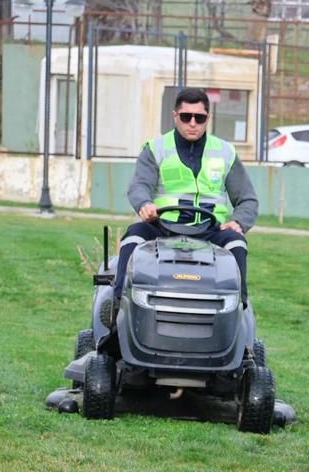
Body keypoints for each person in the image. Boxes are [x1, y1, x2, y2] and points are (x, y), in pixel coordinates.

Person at [106, 88, 259, 324]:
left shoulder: (225, 152)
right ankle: (117, 309)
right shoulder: (155, 149)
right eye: (186, 116)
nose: (193, 123)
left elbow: (247, 199)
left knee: (237, 243)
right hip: (163, 227)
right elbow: (139, 185)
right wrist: (144, 204)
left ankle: (239, 312)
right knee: (133, 237)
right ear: (175, 116)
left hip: (210, 231)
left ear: (208, 118)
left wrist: (238, 222)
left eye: (200, 118)